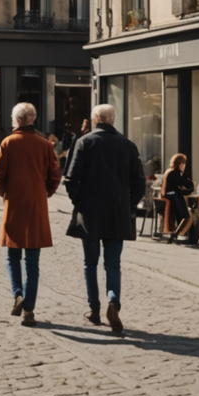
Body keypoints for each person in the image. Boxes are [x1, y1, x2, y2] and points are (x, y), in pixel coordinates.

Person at [63, 105, 141, 334]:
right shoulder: (128, 145)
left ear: (96, 119)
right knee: (113, 263)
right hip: (118, 212)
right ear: (112, 120)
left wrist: (79, 201)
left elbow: (71, 178)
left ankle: (95, 309)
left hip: (90, 212)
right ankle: (113, 301)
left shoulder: (85, 142)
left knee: (90, 263)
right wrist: (128, 205)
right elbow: (138, 183)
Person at [0, 102, 61, 327]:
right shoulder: (45, 145)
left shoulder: (8, 143)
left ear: (17, 120)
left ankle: (17, 294)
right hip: (36, 205)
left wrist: (6, 194)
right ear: (32, 119)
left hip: (14, 205)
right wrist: (46, 193)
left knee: (13, 256)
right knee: (33, 261)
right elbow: (55, 175)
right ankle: (29, 310)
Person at [162, 153, 195, 242]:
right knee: (185, 216)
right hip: (174, 197)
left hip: (172, 196)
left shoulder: (171, 172)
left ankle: (176, 234)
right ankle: (177, 234)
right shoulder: (175, 173)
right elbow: (185, 183)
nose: (183, 166)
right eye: (182, 164)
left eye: (184, 164)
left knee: (184, 216)